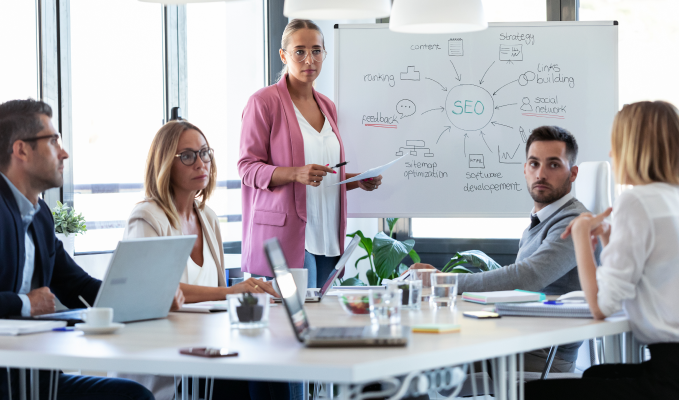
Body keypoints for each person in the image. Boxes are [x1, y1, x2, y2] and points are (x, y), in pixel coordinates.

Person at [0, 99, 153, 400]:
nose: (64, 153)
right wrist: (25, 304)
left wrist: (146, 300)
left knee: (132, 395)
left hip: (27, 375)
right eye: (53, 141)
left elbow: (77, 286)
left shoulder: (39, 215)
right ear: (21, 150)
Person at [114, 119, 285, 400]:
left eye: (204, 153)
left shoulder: (208, 217)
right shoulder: (147, 217)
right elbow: (155, 292)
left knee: (271, 363)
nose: (200, 163)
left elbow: (219, 301)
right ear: (165, 163)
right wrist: (232, 292)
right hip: (167, 362)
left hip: (206, 353)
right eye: (187, 156)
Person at [526, 101, 679, 399]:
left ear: (634, 148)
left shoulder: (637, 201)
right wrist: (609, 238)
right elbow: (639, 279)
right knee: (596, 374)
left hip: (668, 376)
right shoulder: (670, 199)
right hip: (671, 367)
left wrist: (581, 235)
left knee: (531, 393)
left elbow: (601, 307)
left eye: (616, 144)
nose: (611, 153)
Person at [412, 126, 593, 372]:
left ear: (573, 173)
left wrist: (443, 281)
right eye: (534, 164)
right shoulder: (541, 220)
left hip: (543, 355)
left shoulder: (575, 222)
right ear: (525, 169)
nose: (540, 174)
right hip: (515, 336)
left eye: (553, 165)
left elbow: (526, 277)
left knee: (418, 361)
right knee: (419, 345)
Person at [239, 19, 382, 290]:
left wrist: (357, 180)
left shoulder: (327, 106)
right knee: (295, 314)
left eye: (316, 51)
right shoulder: (263, 102)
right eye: (300, 51)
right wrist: (295, 173)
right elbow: (247, 168)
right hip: (288, 235)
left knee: (323, 313)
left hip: (328, 235)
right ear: (284, 55)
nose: (309, 60)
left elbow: (323, 176)